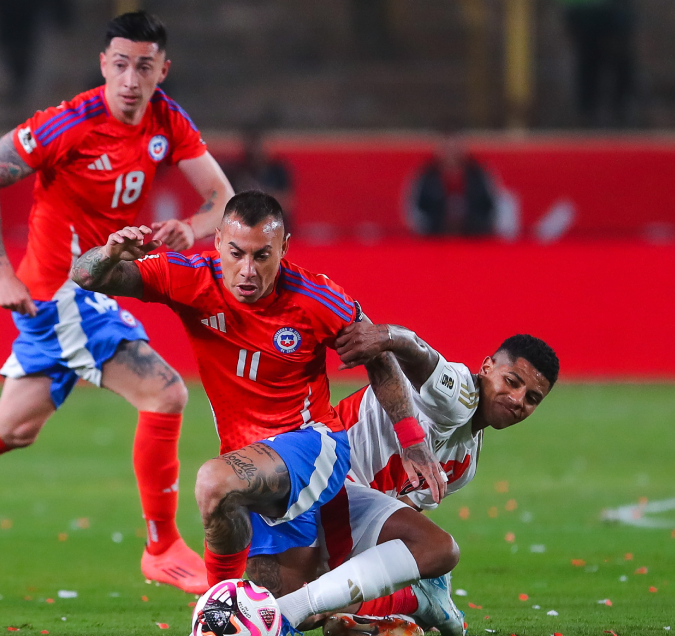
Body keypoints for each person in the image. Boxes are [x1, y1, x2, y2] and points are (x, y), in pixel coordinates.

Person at [0, 11, 234, 594]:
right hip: (59, 292)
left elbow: (222, 198)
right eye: (121, 65)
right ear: (104, 65)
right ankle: (161, 547)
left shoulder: (166, 120)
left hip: (91, 288)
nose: (131, 79)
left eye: (145, 66)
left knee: (13, 427)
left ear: (163, 69)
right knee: (165, 393)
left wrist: (191, 224)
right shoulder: (71, 123)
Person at [70, 191, 456, 635]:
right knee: (283, 611)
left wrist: (413, 440)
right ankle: (385, 616)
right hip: (252, 465)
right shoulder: (188, 277)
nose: (248, 270)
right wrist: (108, 253)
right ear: (217, 243)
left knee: (213, 483)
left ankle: (213, 605)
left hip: (314, 446)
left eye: (261, 255)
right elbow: (86, 276)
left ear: (284, 248)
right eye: (236, 253)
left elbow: (380, 357)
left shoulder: (315, 297)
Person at [315, 329, 560, 635]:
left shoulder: (464, 465)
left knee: (307, 605)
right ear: (486, 368)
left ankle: (385, 611)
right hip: (319, 480)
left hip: (341, 511)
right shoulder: (459, 392)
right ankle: (417, 600)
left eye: (532, 398)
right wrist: (388, 337)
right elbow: (418, 351)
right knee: (307, 602)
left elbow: (397, 519)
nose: (518, 399)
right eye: (511, 381)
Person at [405, 132, 498, 237]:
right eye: (448, 148)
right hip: (435, 236)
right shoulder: (427, 175)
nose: (452, 153)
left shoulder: (477, 174)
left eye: (455, 148)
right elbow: (416, 208)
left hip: (473, 235)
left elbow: (489, 205)